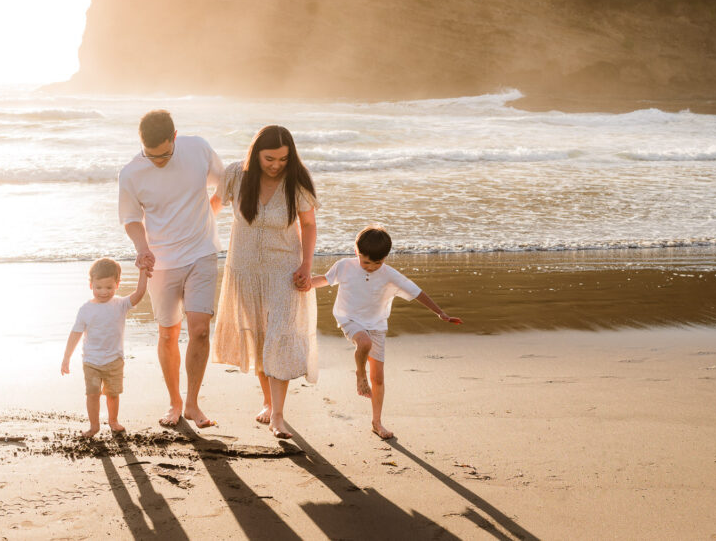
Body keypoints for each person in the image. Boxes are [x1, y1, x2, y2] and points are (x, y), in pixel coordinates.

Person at [118, 110, 224, 428]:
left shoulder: (198, 149)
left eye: (164, 154)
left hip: (202, 252)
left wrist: (213, 209)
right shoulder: (131, 173)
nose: (159, 161)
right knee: (168, 334)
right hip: (161, 262)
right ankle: (174, 401)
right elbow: (131, 219)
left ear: (174, 137)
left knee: (200, 330)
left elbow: (229, 180)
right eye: (151, 156)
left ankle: (192, 404)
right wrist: (142, 248)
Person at [211, 125, 318, 439]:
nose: (275, 165)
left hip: (285, 270)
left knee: (280, 337)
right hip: (244, 269)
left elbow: (309, 225)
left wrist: (306, 265)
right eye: (269, 158)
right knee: (259, 337)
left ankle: (279, 417)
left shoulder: (297, 181)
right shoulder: (236, 175)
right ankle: (269, 402)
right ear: (255, 153)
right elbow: (212, 207)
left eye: (283, 159)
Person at [311, 225, 461, 440]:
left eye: (377, 263)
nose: (371, 267)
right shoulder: (344, 266)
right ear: (356, 252)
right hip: (348, 318)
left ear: (386, 258)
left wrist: (441, 313)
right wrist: (304, 283)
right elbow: (324, 280)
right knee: (364, 343)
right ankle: (359, 374)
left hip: (377, 325)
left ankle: (377, 422)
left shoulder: (390, 274)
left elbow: (417, 292)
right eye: (366, 262)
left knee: (379, 378)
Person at [61, 257, 148, 437]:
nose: (103, 292)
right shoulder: (85, 309)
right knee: (92, 394)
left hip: (114, 360)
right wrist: (66, 357)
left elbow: (139, 293)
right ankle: (94, 426)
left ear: (117, 284)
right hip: (91, 361)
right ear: (90, 285)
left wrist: (143, 272)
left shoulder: (120, 304)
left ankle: (113, 420)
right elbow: (75, 333)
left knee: (113, 394)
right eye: (98, 287)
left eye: (109, 287)